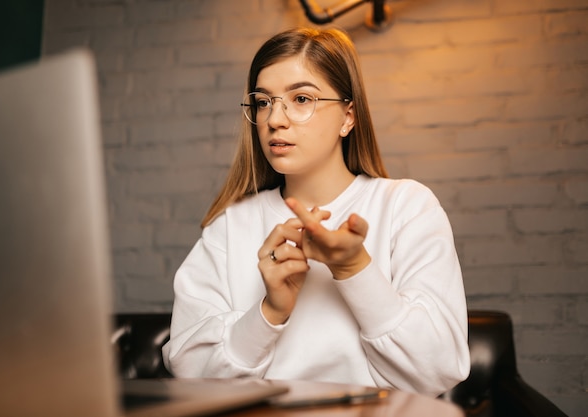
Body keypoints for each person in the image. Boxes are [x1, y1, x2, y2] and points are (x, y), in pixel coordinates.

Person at [162, 27, 470, 396]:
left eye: (302, 98)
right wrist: (269, 311)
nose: (275, 119)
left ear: (348, 117)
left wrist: (353, 269)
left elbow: (436, 370)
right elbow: (191, 375)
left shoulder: (407, 206)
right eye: (263, 102)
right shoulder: (229, 227)